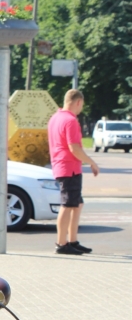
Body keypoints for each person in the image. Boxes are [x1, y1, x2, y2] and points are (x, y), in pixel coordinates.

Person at [47, 89, 99, 255]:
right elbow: (74, 148)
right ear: (78, 102)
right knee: (68, 205)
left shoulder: (55, 118)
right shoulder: (70, 120)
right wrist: (92, 162)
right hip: (69, 167)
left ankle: (73, 240)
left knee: (77, 203)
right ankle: (62, 243)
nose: (81, 108)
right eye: (81, 105)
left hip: (62, 166)